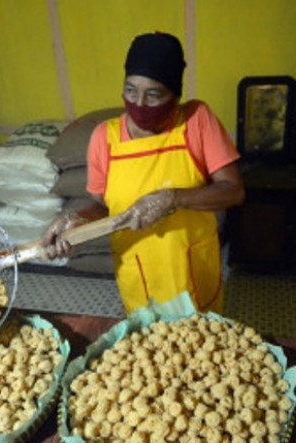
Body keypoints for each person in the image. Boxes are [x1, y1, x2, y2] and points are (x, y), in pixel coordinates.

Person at [42, 32, 244, 314]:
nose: (139, 104)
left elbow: (233, 190)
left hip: (191, 267)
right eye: (130, 91)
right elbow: (103, 205)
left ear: (175, 94)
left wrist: (175, 198)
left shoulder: (197, 120)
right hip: (137, 269)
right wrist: (76, 220)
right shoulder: (105, 137)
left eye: (153, 94)